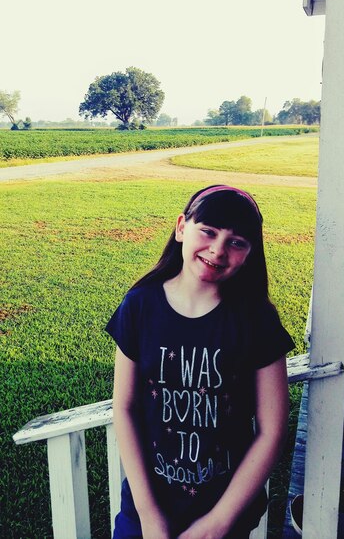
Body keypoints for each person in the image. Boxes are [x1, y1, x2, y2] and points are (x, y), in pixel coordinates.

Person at [106, 185, 295, 539]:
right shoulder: (140, 307)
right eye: (208, 231)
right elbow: (125, 407)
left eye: (237, 242)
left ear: (251, 252)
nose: (218, 249)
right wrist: (148, 516)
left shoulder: (257, 322)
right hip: (146, 510)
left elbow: (272, 430)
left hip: (227, 515)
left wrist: (218, 522)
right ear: (181, 228)